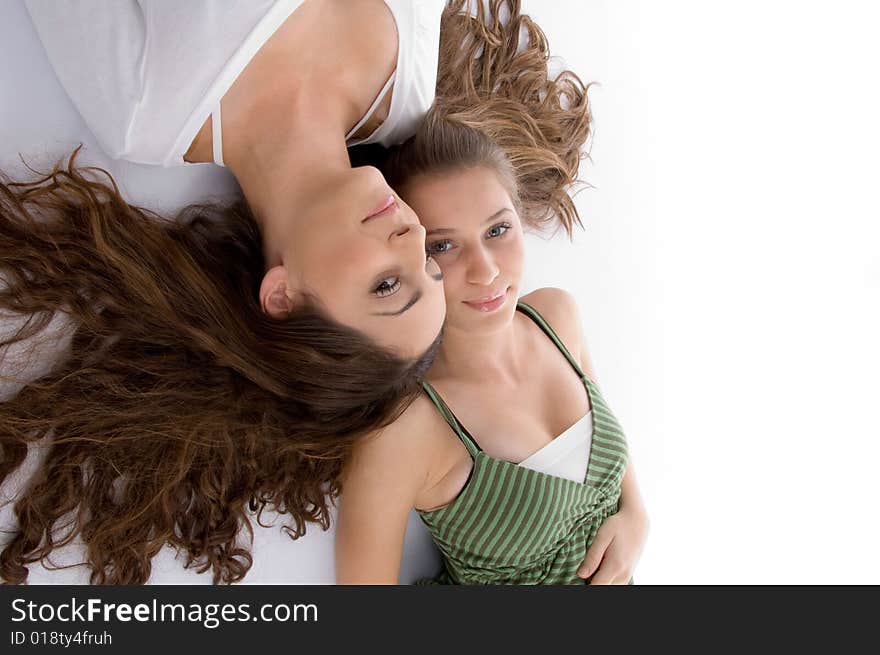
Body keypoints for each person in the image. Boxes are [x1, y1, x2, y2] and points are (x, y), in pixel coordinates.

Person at [335, 114, 649, 584]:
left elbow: (615, 475)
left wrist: (637, 518)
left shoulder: (556, 318)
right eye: (443, 245)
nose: (484, 271)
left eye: (498, 231)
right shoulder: (408, 430)